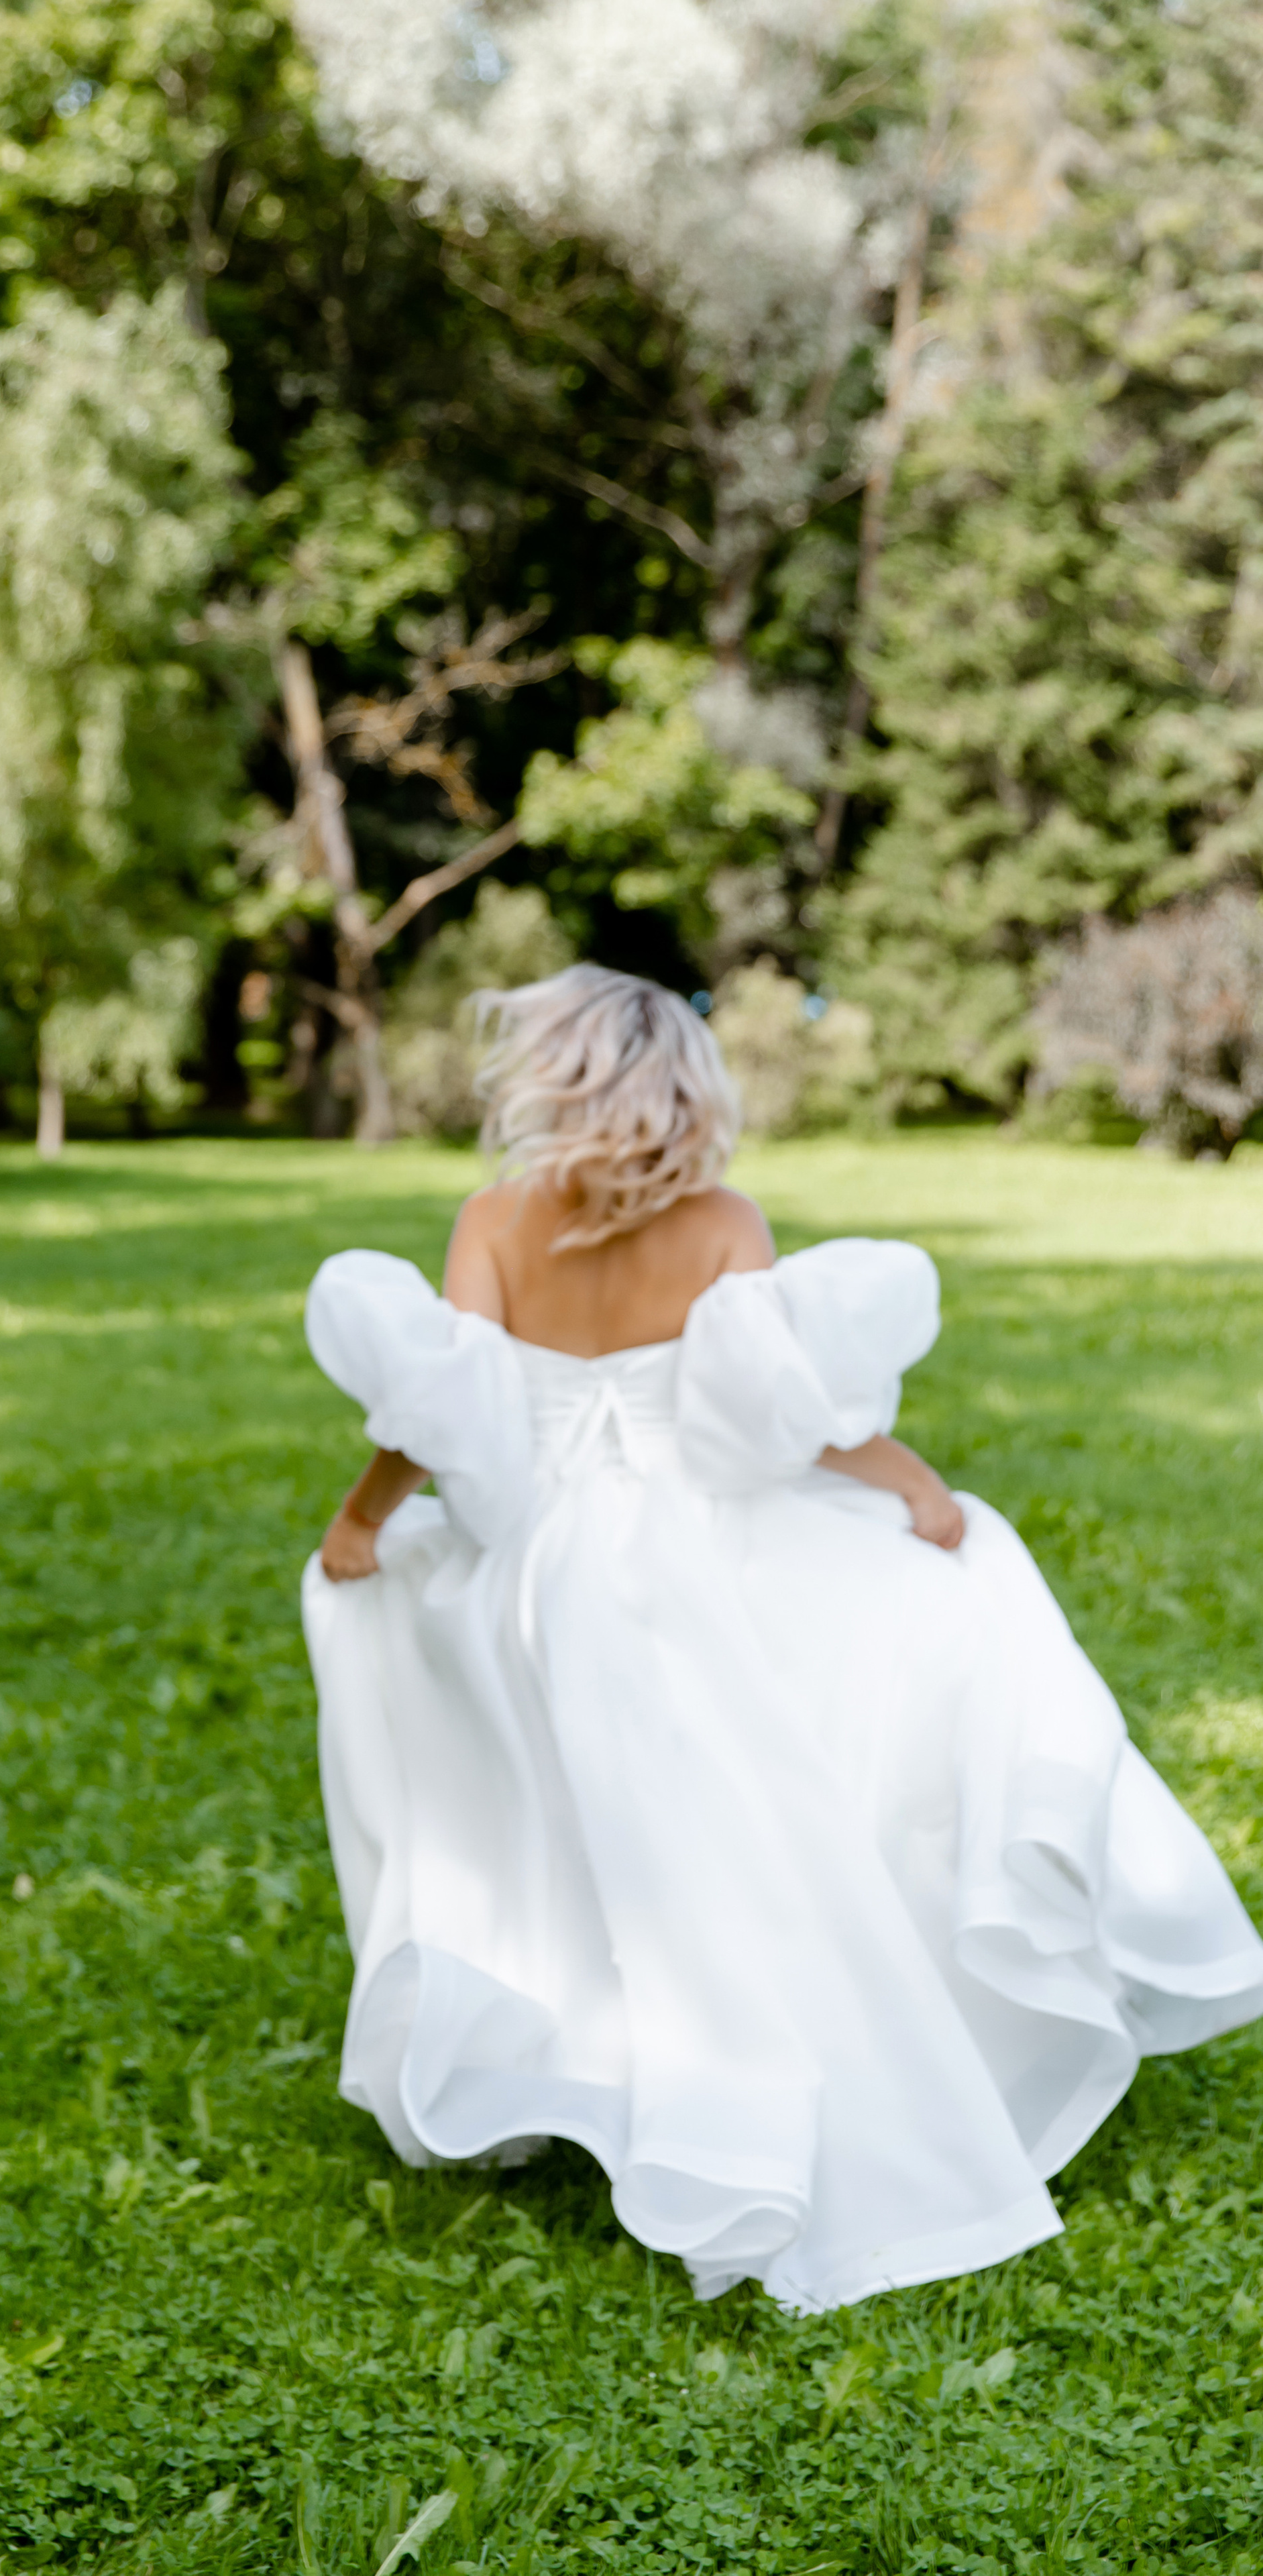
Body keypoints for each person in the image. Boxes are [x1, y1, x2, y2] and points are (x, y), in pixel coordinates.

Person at [300, 964, 1263, 2316]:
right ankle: (777, 2047)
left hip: (539, 1565)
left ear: (550, 1082)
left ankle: (595, 2041)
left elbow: (449, 1412)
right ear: (686, 1092)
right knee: (798, 1749)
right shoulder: (722, 1222)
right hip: (697, 1547)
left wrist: (360, 1521)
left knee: (553, 1786)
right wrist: (917, 1486)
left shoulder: (495, 1220)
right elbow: (772, 1408)